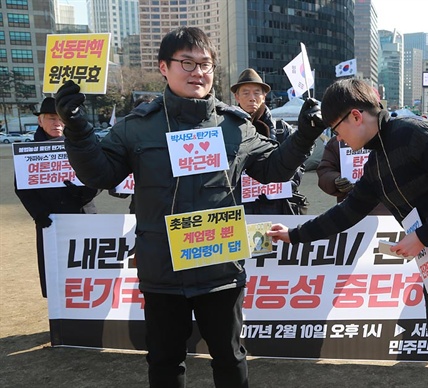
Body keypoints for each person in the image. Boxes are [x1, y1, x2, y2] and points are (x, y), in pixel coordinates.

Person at [54, 26, 325, 388]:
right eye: (187, 63)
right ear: (164, 67)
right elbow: (100, 175)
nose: (198, 72)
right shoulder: (137, 128)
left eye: (205, 64)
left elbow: (273, 169)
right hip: (162, 271)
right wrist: (76, 130)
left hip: (220, 268)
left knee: (230, 356)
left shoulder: (234, 126)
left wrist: (305, 134)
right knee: (165, 361)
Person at [268, 79, 428, 388]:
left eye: (336, 130)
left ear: (355, 116)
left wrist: (422, 236)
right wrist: (294, 235)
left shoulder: (414, 132)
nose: (336, 139)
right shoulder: (375, 162)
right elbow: (347, 212)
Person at [14, 97, 99, 298]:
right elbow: (22, 187)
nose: (57, 123)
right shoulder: (29, 151)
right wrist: (38, 213)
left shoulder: (81, 144)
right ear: (40, 121)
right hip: (49, 221)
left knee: (87, 266)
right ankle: (59, 317)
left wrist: (85, 193)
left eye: (60, 119)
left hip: (83, 214)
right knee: (54, 269)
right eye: (51, 118)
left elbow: (99, 175)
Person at [231, 68, 308, 215]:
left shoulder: (282, 128)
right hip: (240, 208)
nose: (252, 98)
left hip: (277, 206)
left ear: (264, 95)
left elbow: (298, 163)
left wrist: (285, 185)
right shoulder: (227, 130)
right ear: (237, 97)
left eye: (256, 92)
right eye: (246, 93)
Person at [317, 138, 390, 215]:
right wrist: (336, 180)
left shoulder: (389, 137)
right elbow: (325, 170)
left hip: (390, 211)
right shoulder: (337, 141)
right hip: (351, 210)